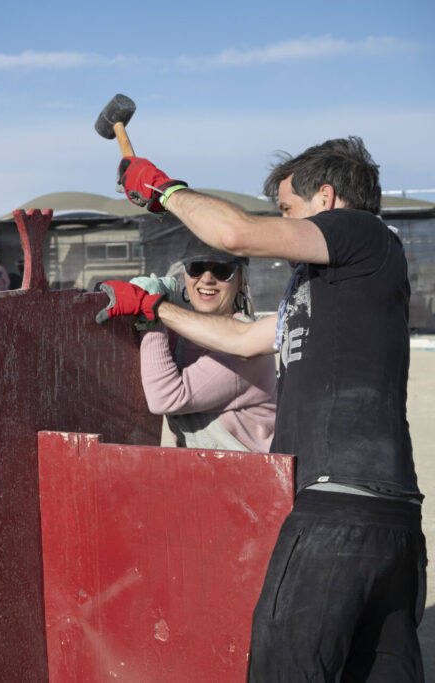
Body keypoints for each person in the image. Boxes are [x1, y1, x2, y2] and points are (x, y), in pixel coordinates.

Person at [98, 137, 426, 681]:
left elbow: (237, 235)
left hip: (334, 509)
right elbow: (247, 339)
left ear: (326, 198)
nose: (283, 225)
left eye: (287, 210)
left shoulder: (360, 231)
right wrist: (156, 310)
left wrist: (165, 191)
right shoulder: (341, 285)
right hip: (382, 516)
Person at [133, 235, 276, 452]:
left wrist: (151, 317)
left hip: (253, 477)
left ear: (240, 281)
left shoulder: (246, 349)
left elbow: (165, 398)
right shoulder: (181, 336)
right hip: (211, 474)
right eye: (196, 268)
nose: (207, 279)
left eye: (221, 270)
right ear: (184, 275)